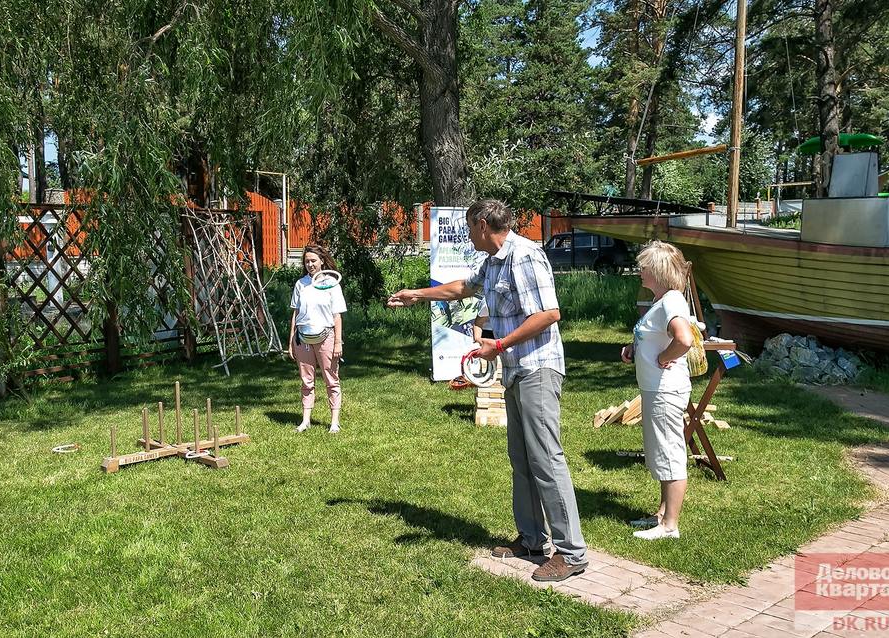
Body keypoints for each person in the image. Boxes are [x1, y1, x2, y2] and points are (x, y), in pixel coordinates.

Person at [388, 199, 588, 582]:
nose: (467, 234)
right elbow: (463, 288)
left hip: (538, 368)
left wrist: (499, 344)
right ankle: (531, 540)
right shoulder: (493, 261)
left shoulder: (524, 255)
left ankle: (572, 553)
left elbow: (549, 314)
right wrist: (417, 293)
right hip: (515, 370)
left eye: (469, 227)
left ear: (483, 224)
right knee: (522, 459)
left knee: (546, 459)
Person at [620, 240, 694, 540]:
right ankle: (662, 514)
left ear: (659, 270)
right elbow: (655, 335)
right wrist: (634, 348)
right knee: (660, 452)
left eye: (644, 266)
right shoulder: (661, 300)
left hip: (665, 390)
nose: (640, 270)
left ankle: (669, 526)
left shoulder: (672, 301)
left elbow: (684, 339)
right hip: (655, 389)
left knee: (669, 453)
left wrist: (664, 358)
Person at [289, 244, 347, 434]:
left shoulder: (332, 284)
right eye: (307, 261)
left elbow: (337, 316)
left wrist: (337, 342)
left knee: (331, 379)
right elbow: (296, 314)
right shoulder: (300, 284)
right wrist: (291, 341)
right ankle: (305, 421)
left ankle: (334, 422)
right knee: (307, 381)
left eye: (313, 260)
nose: (310, 264)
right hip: (303, 338)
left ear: (322, 261)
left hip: (326, 337)